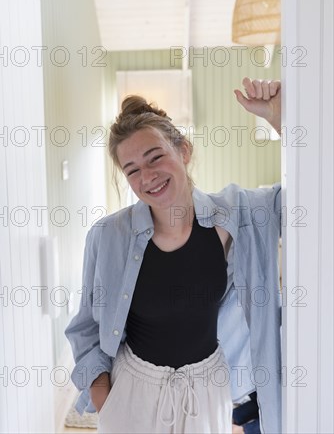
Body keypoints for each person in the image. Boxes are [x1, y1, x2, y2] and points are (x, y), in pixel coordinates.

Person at [65, 77, 282, 434]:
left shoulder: (237, 216)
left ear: (183, 150)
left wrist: (279, 119)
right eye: (132, 170)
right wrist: (108, 404)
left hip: (208, 393)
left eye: (155, 157)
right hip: (133, 392)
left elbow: (311, 191)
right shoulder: (107, 237)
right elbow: (86, 329)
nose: (147, 176)